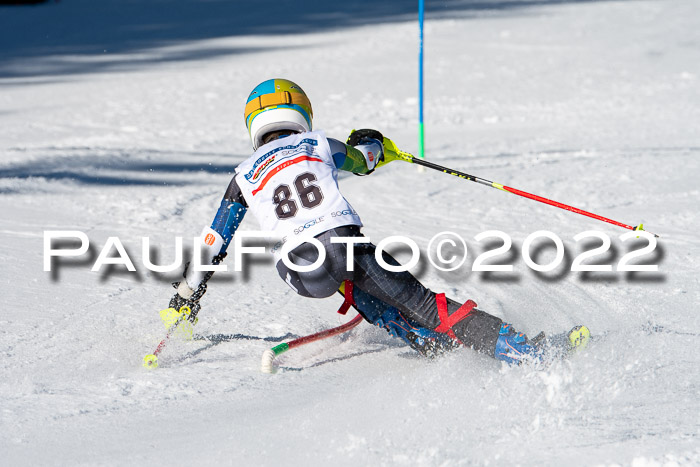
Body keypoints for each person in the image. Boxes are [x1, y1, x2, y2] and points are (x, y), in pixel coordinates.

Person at [161, 78, 554, 365]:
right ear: (301, 114)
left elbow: (214, 242)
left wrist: (187, 295)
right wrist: (376, 144)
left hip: (301, 273)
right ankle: (527, 353)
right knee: (425, 303)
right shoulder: (316, 144)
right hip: (343, 244)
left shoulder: (243, 175)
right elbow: (363, 160)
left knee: (349, 282)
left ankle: (422, 341)